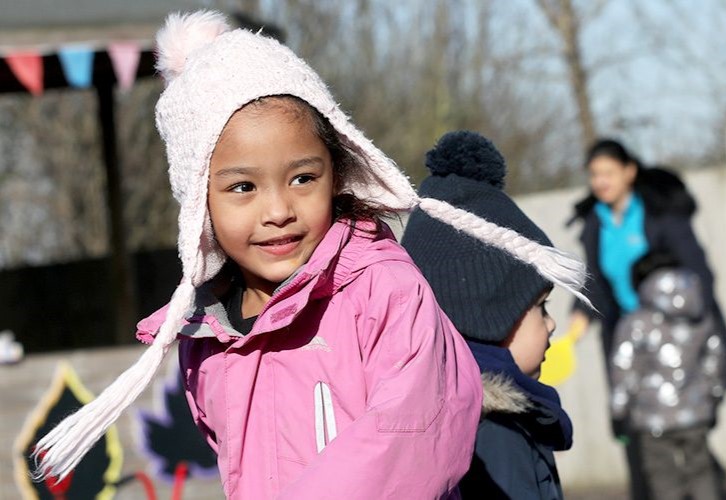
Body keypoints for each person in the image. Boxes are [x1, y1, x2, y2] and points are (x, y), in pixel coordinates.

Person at [32, 11, 590, 499]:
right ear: (198, 202)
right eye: (242, 188)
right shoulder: (208, 334)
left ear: (338, 170)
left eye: (302, 177)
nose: (278, 209)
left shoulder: (384, 290)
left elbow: (416, 436)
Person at [402, 131, 591, 499]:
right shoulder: (493, 433)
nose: (551, 323)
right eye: (540, 307)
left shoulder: (475, 418)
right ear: (485, 314)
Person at [567, 138, 726, 499]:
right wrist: (577, 324)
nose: (600, 181)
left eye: (608, 172)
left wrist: (675, 321)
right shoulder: (595, 224)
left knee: (688, 436)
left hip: (678, 345)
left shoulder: (659, 213)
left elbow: (700, 276)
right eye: (593, 175)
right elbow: (596, 286)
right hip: (631, 346)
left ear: (629, 171)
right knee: (641, 441)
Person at [610, 250, 726, 500]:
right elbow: (714, 360)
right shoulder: (701, 317)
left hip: (651, 418)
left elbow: (624, 371)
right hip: (696, 413)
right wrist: (713, 396)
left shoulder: (635, 323)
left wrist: (618, 413)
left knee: (663, 478)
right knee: (702, 473)